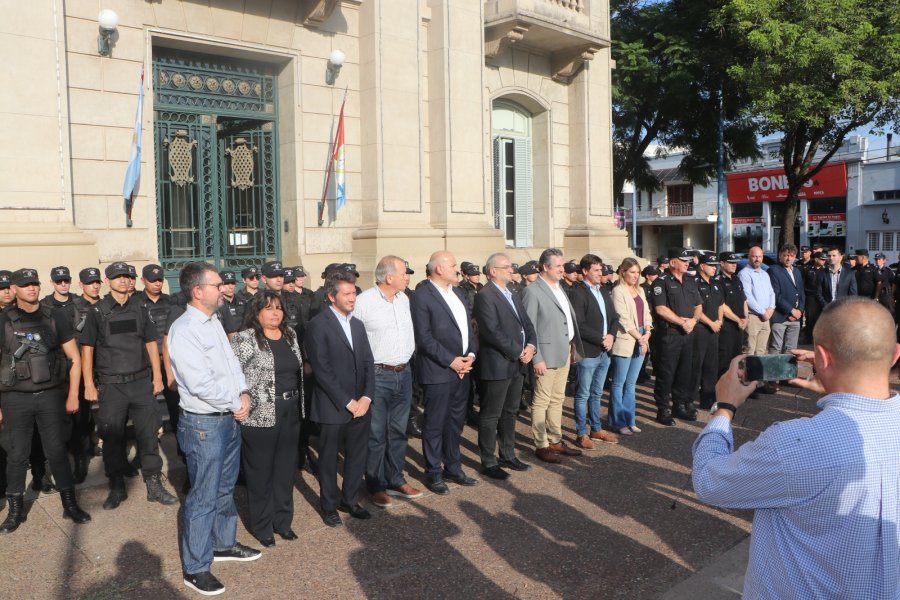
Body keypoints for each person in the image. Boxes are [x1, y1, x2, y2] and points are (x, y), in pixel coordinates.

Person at [693, 297, 900, 599]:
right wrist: (834, 381)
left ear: (821, 358)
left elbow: (709, 482)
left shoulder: (794, 442)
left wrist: (724, 407)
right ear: (894, 354)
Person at [167, 262, 260, 596]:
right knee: (203, 496)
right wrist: (235, 402)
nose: (223, 289)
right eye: (217, 284)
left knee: (225, 486)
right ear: (198, 291)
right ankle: (195, 567)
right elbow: (197, 383)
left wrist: (244, 391)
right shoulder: (185, 329)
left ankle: (223, 543)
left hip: (228, 417)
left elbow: (231, 363)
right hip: (204, 423)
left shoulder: (214, 321)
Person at [80, 262, 177, 510]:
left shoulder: (140, 308)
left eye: (127, 277)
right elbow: (88, 349)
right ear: (108, 280)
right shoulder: (98, 312)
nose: (123, 281)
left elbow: (150, 343)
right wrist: (89, 384)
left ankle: (154, 484)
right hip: (112, 387)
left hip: (141, 382)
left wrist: (157, 376)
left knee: (148, 435)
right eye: (118, 277)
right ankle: (117, 486)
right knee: (112, 438)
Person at [0, 268, 90, 534]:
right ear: (14, 289)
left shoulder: (56, 316)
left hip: (51, 395)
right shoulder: (3, 320)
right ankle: (16, 509)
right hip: (15, 398)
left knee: (57, 451)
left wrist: (73, 393)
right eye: (25, 285)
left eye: (35, 284)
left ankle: (69, 503)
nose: (32, 289)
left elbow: (74, 358)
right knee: (17, 454)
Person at [230, 291, 304, 547]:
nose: (275, 313)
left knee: (285, 470)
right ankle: (262, 527)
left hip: (291, 411)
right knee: (261, 472)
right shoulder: (245, 339)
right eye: (269, 308)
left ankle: (283, 522)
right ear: (256, 312)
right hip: (260, 414)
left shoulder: (291, 335)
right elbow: (232, 374)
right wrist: (241, 398)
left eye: (279, 308)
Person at [305, 270, 375, 527]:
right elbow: (322, 370)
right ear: (331, 296)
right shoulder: (318, 325)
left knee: (357, 455)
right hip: (333, 406)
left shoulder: (357, 324)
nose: (352, 297)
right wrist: (348, 402)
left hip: (361, 405)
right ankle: (329, 505)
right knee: (328, 458)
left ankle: (351, 499)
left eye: (354, 292)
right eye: (346, 293)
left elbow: (368, 362)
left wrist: (367, 397)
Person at [352, 255, 422, 507]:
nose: (407, 277)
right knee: (376, 433)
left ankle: (396, 478)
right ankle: (375, 483)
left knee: (398, 431)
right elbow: (354, 342)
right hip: (377, 375)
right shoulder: (363, 303)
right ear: (389, 277)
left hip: (404, 373)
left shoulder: (404, 299)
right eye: (404, 273)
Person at [410, 251, 480, 492]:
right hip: (438, 370)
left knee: (455, 422)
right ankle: (433, 471)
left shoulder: (458, 293)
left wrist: (470, 355)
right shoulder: (422, 296)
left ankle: (453, 466)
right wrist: (452, 361)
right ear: (439, 268)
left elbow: (469, 329)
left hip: (463, 369)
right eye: (453, 265)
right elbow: (424, 337)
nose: (457, 270)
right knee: (435, 423)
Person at [472, 252, 536, 479]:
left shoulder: (513, 293)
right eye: (507, 266)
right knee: (491, 414)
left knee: (510, 411)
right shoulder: (485, 296)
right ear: (493, 271)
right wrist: (518, 351)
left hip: (518, 363)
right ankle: (488, 461)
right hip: (498, 363)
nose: (512, 270)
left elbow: (526, 323)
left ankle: (508, 453)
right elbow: (491, 331)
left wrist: (531, 345)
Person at [522, 248, 585, 462]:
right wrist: (536, 357)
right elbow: (529, 327)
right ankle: (541, 445)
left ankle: (555, 440)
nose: (563, 269)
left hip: (564, 350)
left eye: (562, 264)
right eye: (558, 265)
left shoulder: (558, 287)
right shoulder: (533, 291)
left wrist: (573, 346)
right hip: (545, 355)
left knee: (558, 398)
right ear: (545, 267)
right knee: (541, 400)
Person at [567, 253, 618, 449]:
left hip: (605, 350)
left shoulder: (603, 290)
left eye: (601, 269)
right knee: (583, 394)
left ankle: (596, 428)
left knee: (597, 393)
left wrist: (611, 336)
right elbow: (579, 324)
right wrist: (601, 338)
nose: (601, 273)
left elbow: (614, 317)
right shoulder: (578, 292)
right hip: (589, 351)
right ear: (585, 271)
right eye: (596, 270)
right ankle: (581, 433)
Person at [649, 247, 703, 425]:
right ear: (672, 263)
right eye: (683, 260)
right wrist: (682, 322)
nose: (687, 262)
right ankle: (663, 409)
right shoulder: (661, 282)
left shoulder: (690, 280)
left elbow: (698, 305)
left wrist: (693, 321)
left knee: (684, 372)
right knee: (667, 373)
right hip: (670, 334)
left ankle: (679, 406)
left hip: (689, 334)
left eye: (688, 260)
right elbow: (661, 309)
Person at [609, 258, 652, 434]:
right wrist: (640, 337)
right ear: (623, 272)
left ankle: (630, 419)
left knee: (631, 384)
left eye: (637, 272)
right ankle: (618, 422)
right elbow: (622, 317)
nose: (635, 276)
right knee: (619, 383)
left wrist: (647, 333)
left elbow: (647, 314)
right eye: (632, 272)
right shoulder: (618, 291)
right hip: (627, 338)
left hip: (642, 335)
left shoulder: (640, 290)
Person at [691, 254, 724, 410]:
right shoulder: (694, 283)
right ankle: (689, 398)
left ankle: (708, 397)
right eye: (711, 265)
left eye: (715, 265)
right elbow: (695, 308)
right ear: (702, 266)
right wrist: (711, 323)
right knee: (697, 365)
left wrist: (719, 321)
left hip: (714, 329)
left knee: (712, 365)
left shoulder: (715, 284)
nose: (714, 268)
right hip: (701, 329)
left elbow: (720, 305)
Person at [767, 244, 804, 358]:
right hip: (780, 316)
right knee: (775, 348)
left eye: (791, 256)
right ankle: (773, 375)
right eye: (786, 255)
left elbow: (801, 293)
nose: (788, 258)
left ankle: (788, 375)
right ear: (780, 256)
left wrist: (800, 311)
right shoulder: (773, 270)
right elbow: (776, 295)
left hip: (796, 318)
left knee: (792, 350)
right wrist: (791, 310)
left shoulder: (797, 271)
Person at [738, 245, 775, 360]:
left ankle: (758, 378)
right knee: (749, 350)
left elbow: (771, 293)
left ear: (762, 257)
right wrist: (763, 311)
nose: (757, 259)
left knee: (762, 351)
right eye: (754, 256)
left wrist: (771, 308)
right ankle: (746, 377)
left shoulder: (765, 274)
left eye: (759, 256)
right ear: (749, 257)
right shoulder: (744, 274)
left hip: (766, 317)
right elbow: (747, 296)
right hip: (753, 317)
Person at [715, 253, 748, 377]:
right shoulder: (718, 281)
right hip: (727, 326)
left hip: (739, 326)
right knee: (725, 360)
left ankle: (734, 388)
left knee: (737, 358)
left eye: (735, 263)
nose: (734, 265)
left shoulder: (736, 279)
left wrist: (746, 318)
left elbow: (744, 300)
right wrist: (738, 319)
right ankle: (722, 390)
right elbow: (722, 305)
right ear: (722, 264)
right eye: (731, 262)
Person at [801, 250, 826, 344]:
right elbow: (803, 284)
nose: (824, 261)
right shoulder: (808, 269)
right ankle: (808, 338)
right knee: (810, 319)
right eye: (822, 259)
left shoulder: (826, 270)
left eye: (825, 259)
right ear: (816, 259)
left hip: (822, 297)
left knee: (821, 319)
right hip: (810, 297)